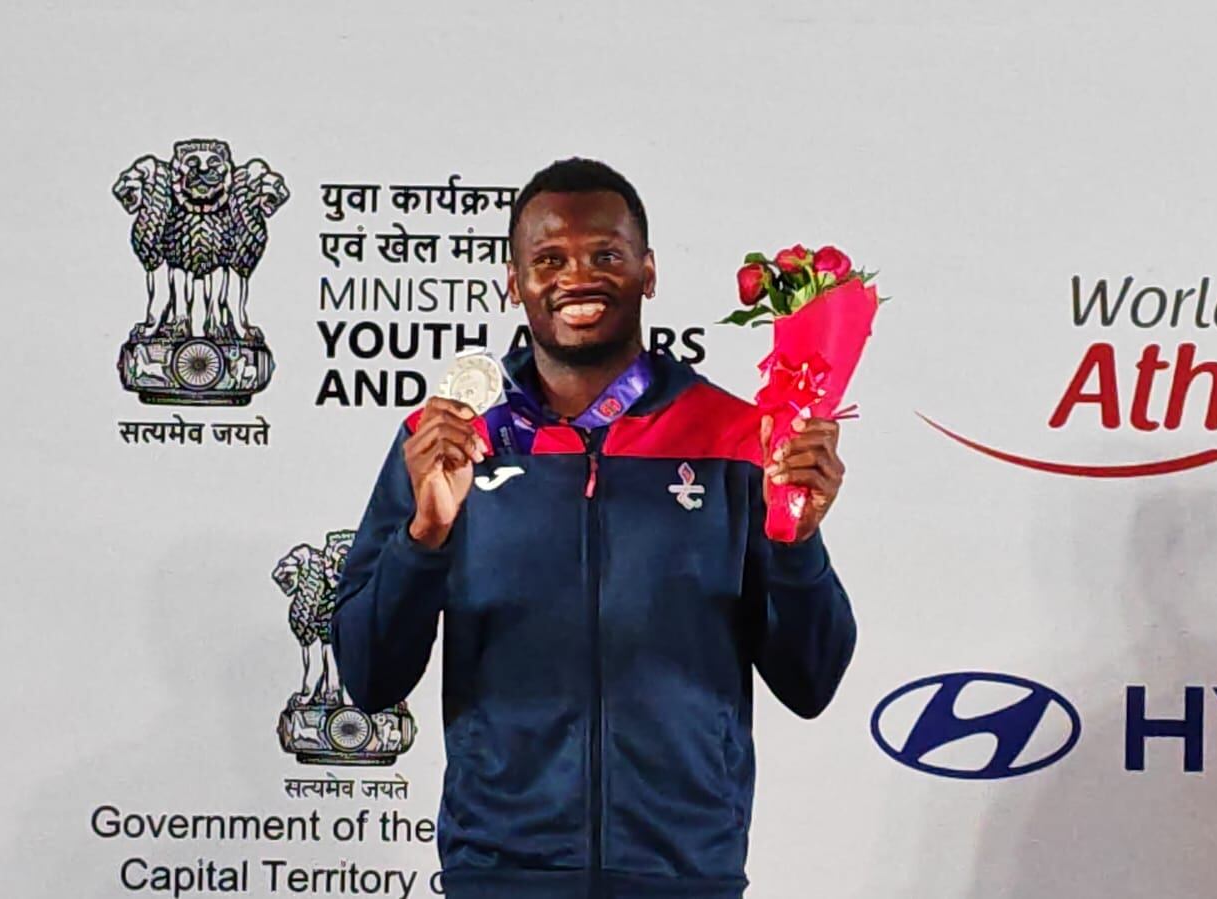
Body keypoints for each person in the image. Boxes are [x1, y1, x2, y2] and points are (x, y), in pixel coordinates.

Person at [331, 157, 856, 899]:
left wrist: (796, 544)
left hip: (683, 873)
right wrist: (426, 534)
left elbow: (811, 679)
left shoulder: (739, 437)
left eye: (605, 254)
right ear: (513, 284)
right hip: (500, 872)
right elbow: (367, 676)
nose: (578, 276)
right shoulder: (445, 440)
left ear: (647, 272)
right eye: (548, 259)